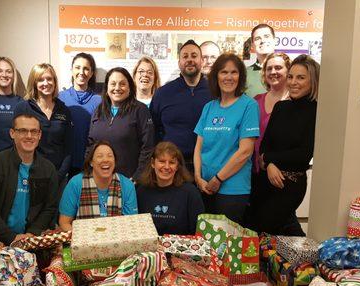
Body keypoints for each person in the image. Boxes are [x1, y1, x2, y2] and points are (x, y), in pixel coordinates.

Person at [252, 55, 320, 236]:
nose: (293, 82)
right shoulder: (281, 108)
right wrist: (270, 164)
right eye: (291, 77)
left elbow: (304, 154)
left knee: (267, 226)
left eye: (301, 77)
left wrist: (270, 159)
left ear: (312, 81)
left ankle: (306, 260)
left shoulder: (317, 111)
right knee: (256, 229)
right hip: (265, 179)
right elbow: (265, 147)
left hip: (289, 184)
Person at [194, 53, 260, 226]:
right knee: (207, 242)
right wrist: (197, 176)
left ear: (241, 76)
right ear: (216, 76)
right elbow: (198, 147)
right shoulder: (209, 107)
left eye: (234, 72)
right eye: (224, 72)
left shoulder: (248, 106)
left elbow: (245, 151)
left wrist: (218, 179)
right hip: (205, 186)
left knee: (227, 246)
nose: (229, 77)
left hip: (232, 190)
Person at [0, 112, 59, 245]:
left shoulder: (48, 169)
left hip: (31, 240)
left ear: (40, 135)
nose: (29, 136)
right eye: (23, 131)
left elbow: (50, 207)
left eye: (34, 131)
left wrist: (31, 234)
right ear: (12, 133)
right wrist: (11, 237)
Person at [150, 40, 212, 172]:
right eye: (185, 56)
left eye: (194, 56)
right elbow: (153, 130)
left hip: (208, 166)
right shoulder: (163, 93)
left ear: (202, 61)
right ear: (179, 63)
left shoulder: (215, 92)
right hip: (172, 168)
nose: (189, 60)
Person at [88, 67, 154, 181]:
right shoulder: (98, 111)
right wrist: (88, 172)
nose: (117, 88)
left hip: (129, 180)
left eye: (122, 84)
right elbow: (90, 145)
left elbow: (148, 147)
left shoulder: (140, 110)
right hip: (100, 179)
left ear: (129, 87)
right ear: (107, 88)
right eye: (113, 84)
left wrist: (137, 177)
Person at [59, 141, 137, 231]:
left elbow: (131, 224)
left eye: (110, 156)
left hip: (118, 241)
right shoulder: (76, 183)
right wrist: (81, 240)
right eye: (100, 156)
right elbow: (64, 222)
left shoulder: (127, 185)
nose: (105, 160)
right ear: (91, 162)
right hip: (84, 240)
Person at [14, 63, 72, 183]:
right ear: (34, 83)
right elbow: (17, 143)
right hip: (30, 175)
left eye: (49, 79)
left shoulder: (64, 110)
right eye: (40, 80)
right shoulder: (23, 107)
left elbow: (69, 146)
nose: (46, 83)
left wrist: (60, 174)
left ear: (54, 81)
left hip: (58, 176)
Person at [136, 142, 204, 235]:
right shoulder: (141, 191)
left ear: (177, 166)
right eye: (162, 161)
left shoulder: (190, 192)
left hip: (181, 248)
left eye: (172, 162)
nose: (167, 167)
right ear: (152, 163)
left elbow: (197, 231)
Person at [58, 53, 101, 176]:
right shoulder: (60, 97)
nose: (81, 72)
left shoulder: (99, 101)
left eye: (86, 68)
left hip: (89, 164)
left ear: (92, 73)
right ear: (71, 70)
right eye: (77, 67)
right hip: (63, 164)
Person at [253, 52, 291, 175]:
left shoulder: (293, 102)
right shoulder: (256, 101)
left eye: (278, 67)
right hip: (254, 170)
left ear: (288, 71)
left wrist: (270, 161)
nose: (273, 72)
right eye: (269, 69)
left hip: (280, 172)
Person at [246, 24, 276, 98]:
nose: (262, 41)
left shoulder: (288, 71)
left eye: (266, 36)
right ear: (252, 45)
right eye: (257, 38)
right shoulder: (244, 74)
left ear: (275, 41)